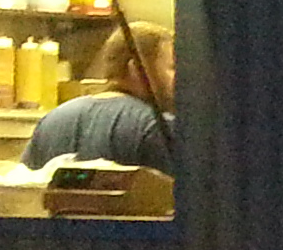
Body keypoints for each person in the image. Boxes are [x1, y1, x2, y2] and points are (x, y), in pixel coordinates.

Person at [26, 23, 176, 174]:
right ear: (137, 69)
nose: (182, 78)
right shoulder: (157, 127)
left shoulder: (51, 121)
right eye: (173, 68)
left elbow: (25, 184)